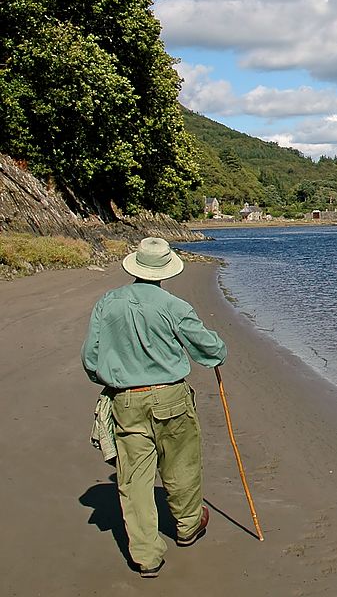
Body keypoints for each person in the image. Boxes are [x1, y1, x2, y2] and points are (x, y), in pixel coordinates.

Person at [81, 237, 227, 578]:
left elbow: (91, 359)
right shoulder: (173, 306)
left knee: (134, 480)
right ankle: (188, 526)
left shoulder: (108, 303)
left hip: (125, 400)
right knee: (182, 467)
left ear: (136, 266)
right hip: (171, 397)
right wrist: (217, 349)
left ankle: (146, 556)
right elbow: (212, 351)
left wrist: (117, 377)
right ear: (165, 271)